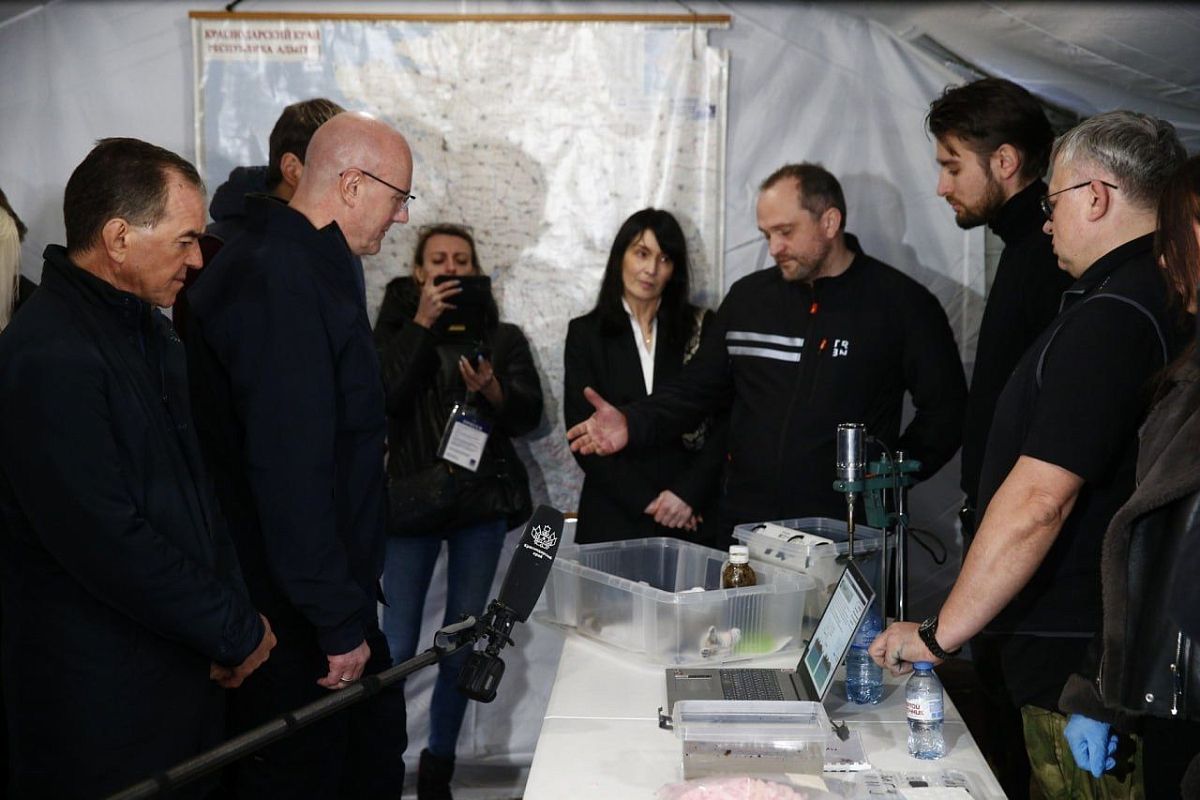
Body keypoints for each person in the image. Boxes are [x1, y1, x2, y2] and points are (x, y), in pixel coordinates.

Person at [869, 111, 1189, 798]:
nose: (1046, 224)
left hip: (1076, 662)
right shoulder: (1147, 298)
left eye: (1054, 203)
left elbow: (1042, 499)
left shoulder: (1114, 317)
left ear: (1096, 198)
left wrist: (939, 634)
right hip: (1096, 649)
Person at [0, 137, 275, 798]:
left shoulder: (150, 333)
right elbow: (104, 536)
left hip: (172, 675)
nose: (197, 258)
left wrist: (231, 622)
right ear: (119, 238)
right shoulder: (49, 355)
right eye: (185, 240)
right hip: (100, 710)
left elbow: (196, 502)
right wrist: (231, 627)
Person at [183, 111, 412, 798]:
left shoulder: (309, 265)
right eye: (399, 197)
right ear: (352, 184)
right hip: (292, 622)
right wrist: (336, 620)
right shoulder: (276, 277)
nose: (403, 217)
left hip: (319, 599)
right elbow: (289, 472)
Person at [567, 163, 967, 539]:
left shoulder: (901, 304)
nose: (774, 248)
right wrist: (632, 421)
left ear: (829, 222)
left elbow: (947, 412)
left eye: (785, 231)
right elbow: (695, 391)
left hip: (845, 535)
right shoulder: (748, 299)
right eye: (766, 234)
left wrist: (885, 477)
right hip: (746, 532)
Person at [926, 76, 1074, 797]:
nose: (941, 186)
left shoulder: (1048, 257)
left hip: (1037, 565)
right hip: (1003, 535)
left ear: (1006, 161)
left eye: (952, 165)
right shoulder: (1021, 250)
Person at [374, 223, 543, 800]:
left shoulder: (503, 336)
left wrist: (493, 389)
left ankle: (438, 769)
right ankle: (382, 765)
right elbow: (382, 396)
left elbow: (527, 416)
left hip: (479, 505)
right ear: (419, 272)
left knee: (463, 644)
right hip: (409, 504)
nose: (450, 269)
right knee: (396, 649)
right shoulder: (395, 327)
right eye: (438, 260)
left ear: (475, 271)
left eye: (461, 261)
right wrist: (421, 324)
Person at [1057, 154, 1200, 799]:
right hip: (1174, 706)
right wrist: (1101, 691)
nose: (1166, 261)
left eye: (1177, 238)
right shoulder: (1185, 375)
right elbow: (1150, 554)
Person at [564, 208, 728, 546]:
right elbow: (583, 435)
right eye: (641, 253)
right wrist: (651, 502)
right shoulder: (585, 333)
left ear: (675, 269)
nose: (651, 269)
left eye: (664, 258)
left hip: (690, 515)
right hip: (614, 514)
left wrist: (687, 495)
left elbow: (726, 420)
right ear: (620, 257)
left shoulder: (702, 327)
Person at [175, 97, 345, 338]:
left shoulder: (336, 244)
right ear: (292, 169)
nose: (351, 187)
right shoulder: (212, 251)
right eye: (340, 171)